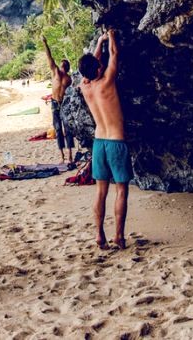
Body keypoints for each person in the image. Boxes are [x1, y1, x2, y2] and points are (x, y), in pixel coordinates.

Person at [78, 29, 133, 251]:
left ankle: (99, 235)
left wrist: (98, 42)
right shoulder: (108, 81)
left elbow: (91, 64)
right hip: (116, 142)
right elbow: (114, 52)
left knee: (101, 191)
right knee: (121, 190)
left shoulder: (85, 86)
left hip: (98, 142)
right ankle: (118, 236)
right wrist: (110, 37)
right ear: (99, 69)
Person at [42, 35, 74, 162]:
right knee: (58, 129)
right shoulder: (55, 73)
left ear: (66, 68)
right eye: (61, 65)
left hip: (64, 105)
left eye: (64, 65)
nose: (62, 67)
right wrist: (45, 43)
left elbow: (70, 93)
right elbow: (49, 58)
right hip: (55, 103)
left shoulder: (68, 79)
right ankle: (62, 156)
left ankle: (70, 155)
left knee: (67, 129)